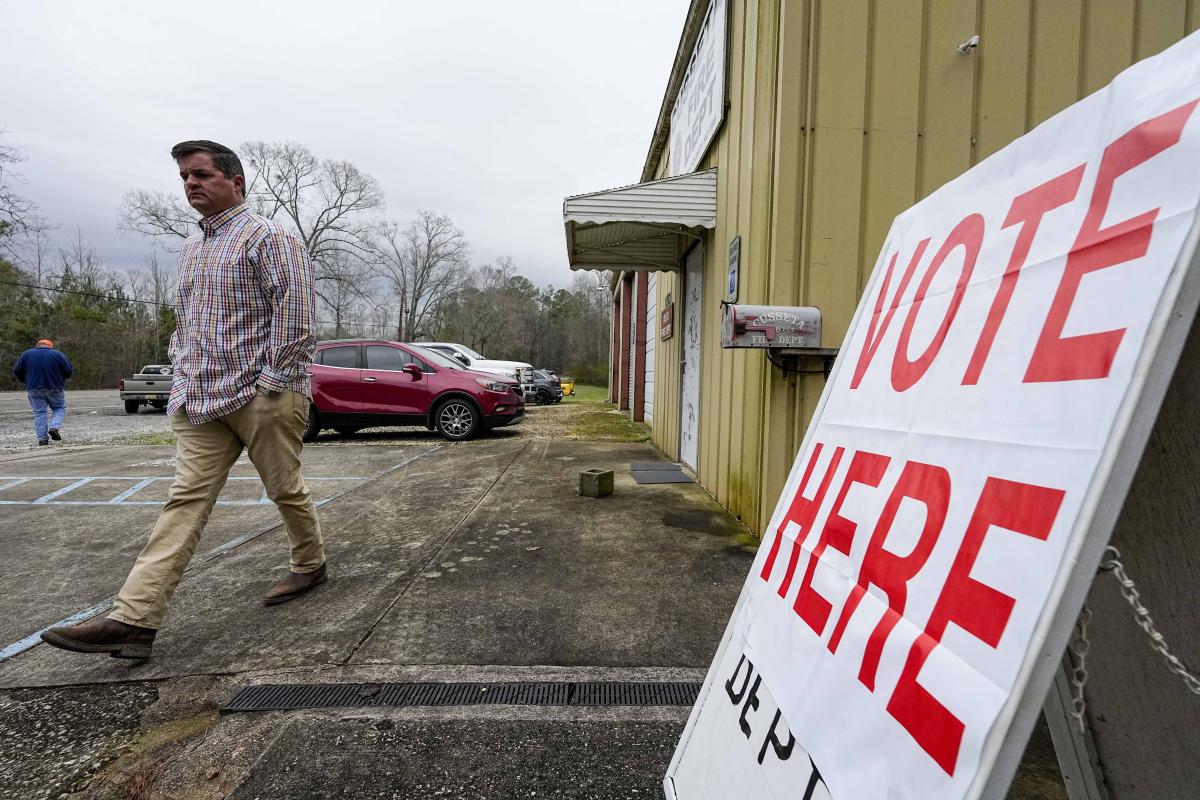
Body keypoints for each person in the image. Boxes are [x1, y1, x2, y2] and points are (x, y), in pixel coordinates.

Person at [41, 140, 327, 660]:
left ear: (235, 183)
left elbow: (297, 320)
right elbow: (185, 320)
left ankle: (310, 565)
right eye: (184, 178)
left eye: (201, 175)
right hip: (198, 400)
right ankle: (134, 621)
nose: (191, 184)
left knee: (284, 489)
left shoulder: (271, 239)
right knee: (184, 501)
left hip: (262, 395)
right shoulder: (192, 248)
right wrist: (179, 368)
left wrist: (269, 384)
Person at [12, 339, 73, 446]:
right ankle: (54, 427)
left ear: (37, 345)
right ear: (51, 346)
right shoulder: (58, 354)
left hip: (33, 388)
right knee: (59, 408)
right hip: (55, 387)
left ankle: (42, 440)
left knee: (40, 413)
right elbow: (68, 371)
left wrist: (26, 381)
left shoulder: (26, 354)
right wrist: (61, 379)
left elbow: (17, 370)